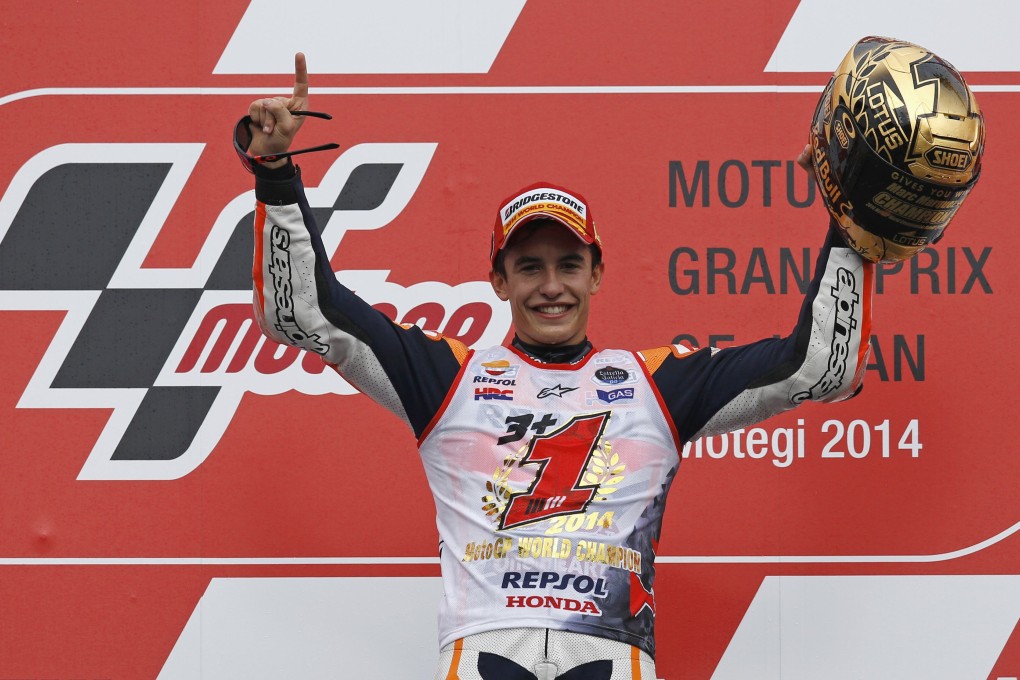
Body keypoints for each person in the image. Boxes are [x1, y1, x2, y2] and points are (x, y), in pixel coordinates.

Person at [240, 53, 874, 680]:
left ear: (597, 274)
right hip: (483, 648)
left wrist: (849, 216)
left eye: (569, 265)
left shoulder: (658, 385)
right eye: (529, 266)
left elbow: (821, 366)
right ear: (498, 280)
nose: (551, 287)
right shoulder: (447, 377)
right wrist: (274, 172)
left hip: (610, 652)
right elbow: (303, 311)